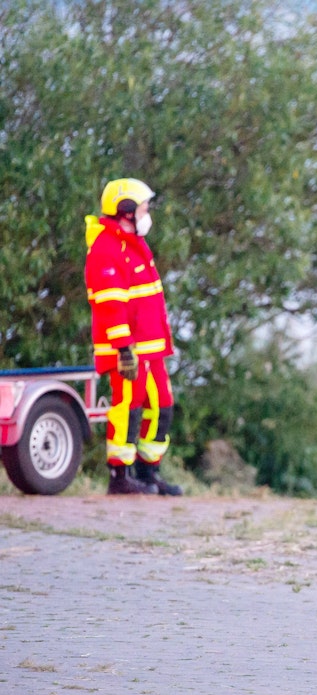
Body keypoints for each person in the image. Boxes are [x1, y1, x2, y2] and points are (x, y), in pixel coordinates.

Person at [84, 178, 182, 496]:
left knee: (161, 405)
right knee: (127, 406)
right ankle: (119, 476)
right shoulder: (106, 249)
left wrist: (164, 341)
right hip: (127, 351)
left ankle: (148, 472)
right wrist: (124, 349)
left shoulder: (134, 244)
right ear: (126, 211)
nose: (147, 213)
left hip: (151, 349)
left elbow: (148, 301)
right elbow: (111, 308)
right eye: (142, 207)